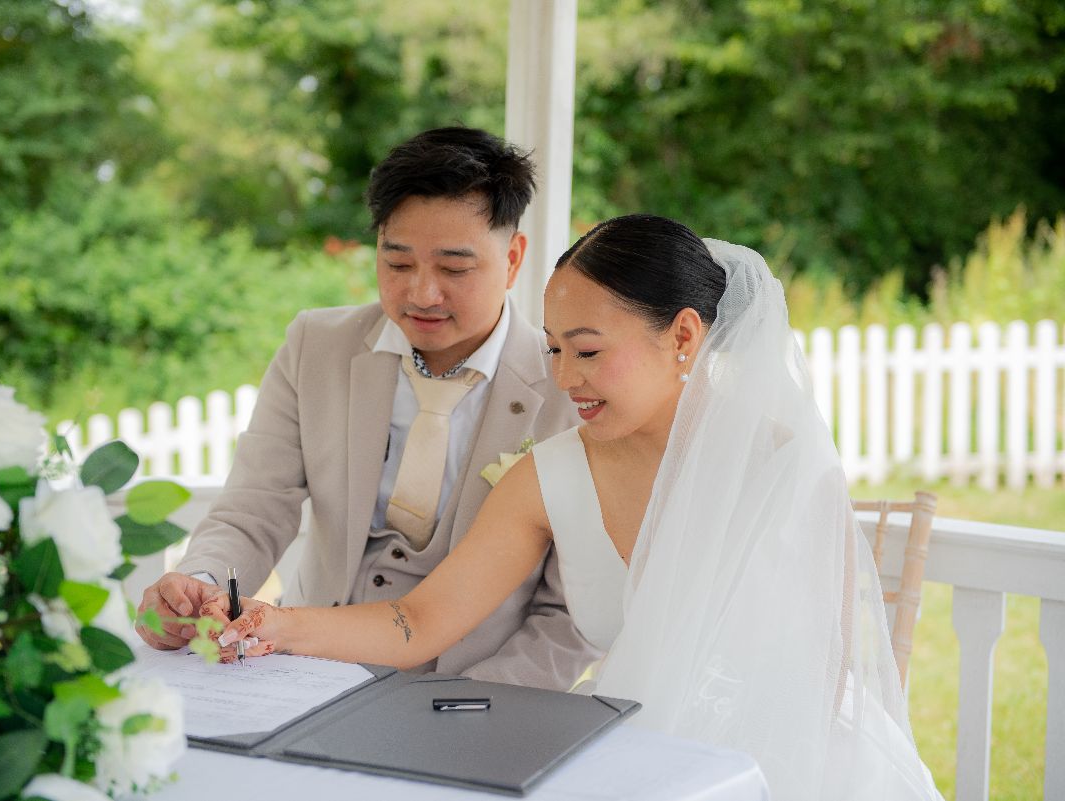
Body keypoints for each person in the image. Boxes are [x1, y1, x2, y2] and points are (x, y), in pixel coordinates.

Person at [205, 214, 944, 800]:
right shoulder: (548, 475)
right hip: (621, 754)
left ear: (684, 336)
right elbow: (419, 621)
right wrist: (278, 624)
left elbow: (825, 677)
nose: (563, 379)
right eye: (554, 350)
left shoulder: (785, 468)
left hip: (783, 767)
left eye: (587, 351)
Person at [134, 127, 600, 690]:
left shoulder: (572, 387)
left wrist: (470, 703)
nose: (422, 294)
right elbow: (254, 509)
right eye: (397, 263)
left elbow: (568, 612)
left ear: (514, 258)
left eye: (454, 269)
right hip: (302, 672)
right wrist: (198, 582)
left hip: (476, 688)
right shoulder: (315, 346)